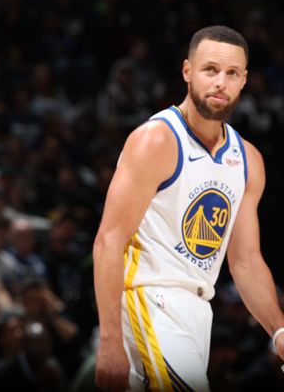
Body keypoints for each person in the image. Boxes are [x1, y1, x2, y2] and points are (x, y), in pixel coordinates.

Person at [93, 26, 284, 391]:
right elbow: (108, 241)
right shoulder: (157, 140)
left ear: (244, 80)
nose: (220, 82)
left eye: (231, 74)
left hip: (199, 312)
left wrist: (278, 329)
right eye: (210, 70)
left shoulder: (247, 160)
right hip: (148, 299)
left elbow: (245, 260)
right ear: (187, 71)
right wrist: (109, 342)